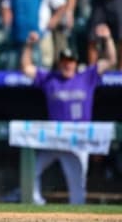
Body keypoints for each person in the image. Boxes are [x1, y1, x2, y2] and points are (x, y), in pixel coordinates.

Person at [21, 23, 116, 205]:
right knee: (32, 171)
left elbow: (110, 60)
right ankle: (34, 203)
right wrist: (29, 45)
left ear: (75, 62)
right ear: (59, 63)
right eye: (64, 61)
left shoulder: (86, 76)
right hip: (55, 137)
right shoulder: (51, 78)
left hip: (78, 139)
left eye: (70, 61)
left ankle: (76, 214)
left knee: (78, 185)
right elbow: (26, 67)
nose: (67, 65)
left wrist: (107, 38)